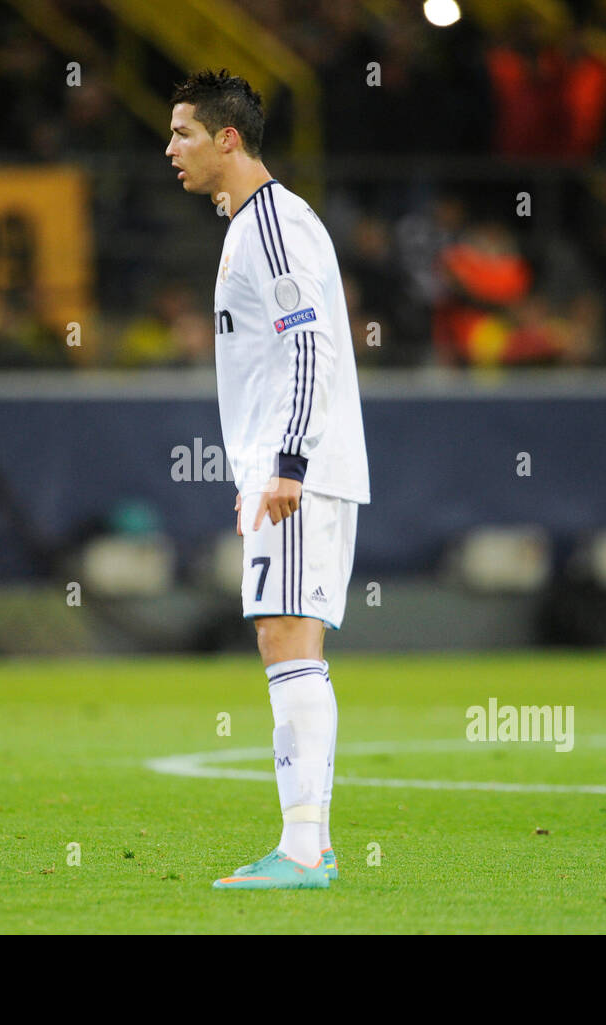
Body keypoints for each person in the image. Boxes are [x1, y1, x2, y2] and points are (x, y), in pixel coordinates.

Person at [166, 70, 371, 890]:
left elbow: (310, 344)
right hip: (287, 469)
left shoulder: (273, 227)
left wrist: (286, 461)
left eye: (182, 133)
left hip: (297, 471)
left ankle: (304, 848)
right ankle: (307, 845)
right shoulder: (250, 226)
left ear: (227, 139)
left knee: (288, 640)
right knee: (286, 640)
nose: (169, 149)